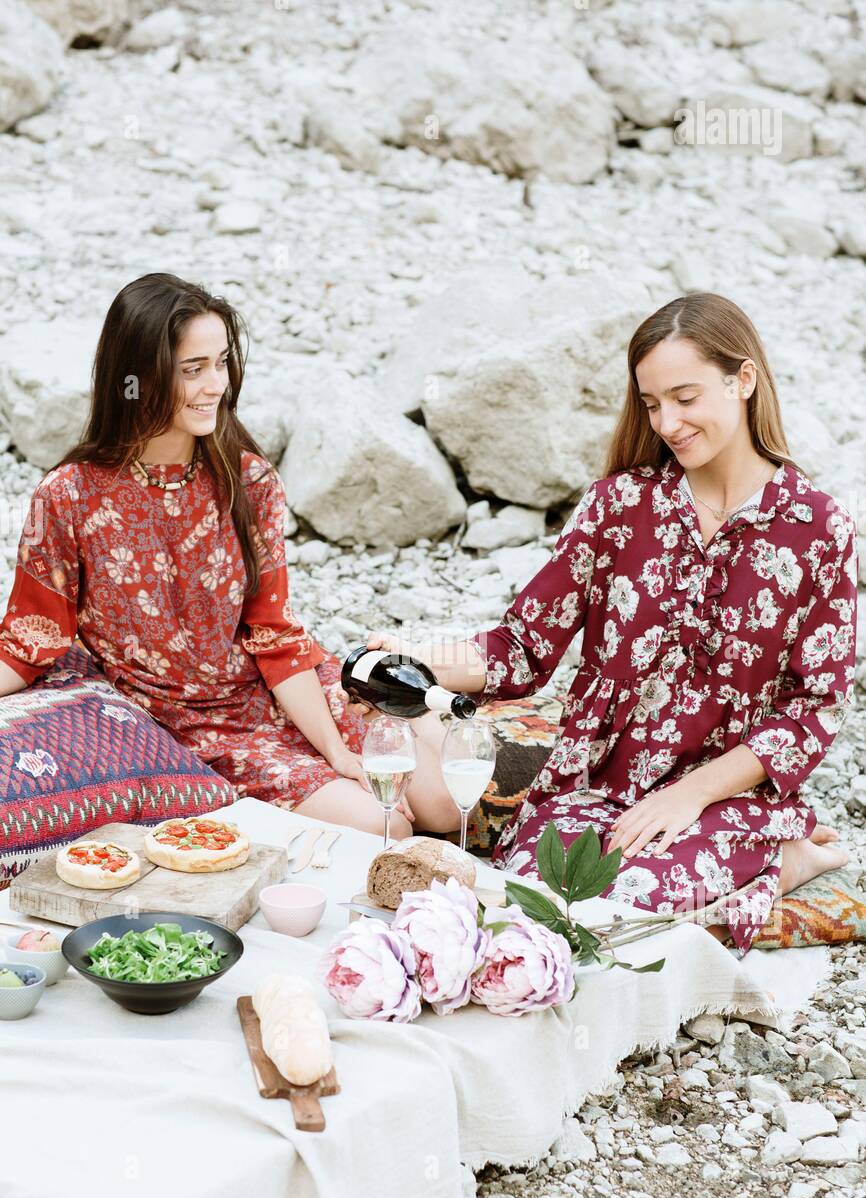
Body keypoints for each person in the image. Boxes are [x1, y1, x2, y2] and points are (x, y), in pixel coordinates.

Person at [351, 293, 856, 954]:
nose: (668, 422)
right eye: (652, 404)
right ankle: (772, 867)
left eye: (686, 397)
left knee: (633, 907)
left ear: (744, 380)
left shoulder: (819, 530)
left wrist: (691, 796)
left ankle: (787, 857)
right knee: (540, 897)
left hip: (724, 788)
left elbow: (814, 709)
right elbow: (525, 644)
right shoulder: (620, 504)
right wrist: (419, 658)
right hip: (601, 779)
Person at [0, 272, 458, 838]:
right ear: (136, 379)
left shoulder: (248, 479)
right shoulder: (69, 496)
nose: (215, 383)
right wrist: (341, 766)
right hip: (194, 725)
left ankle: (419, 722)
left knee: (445, 806)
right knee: (388, 827)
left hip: (287, 687)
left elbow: (273, 632)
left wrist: (338, 750)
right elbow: (30, 641)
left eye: (221, 362)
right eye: (193, 369)